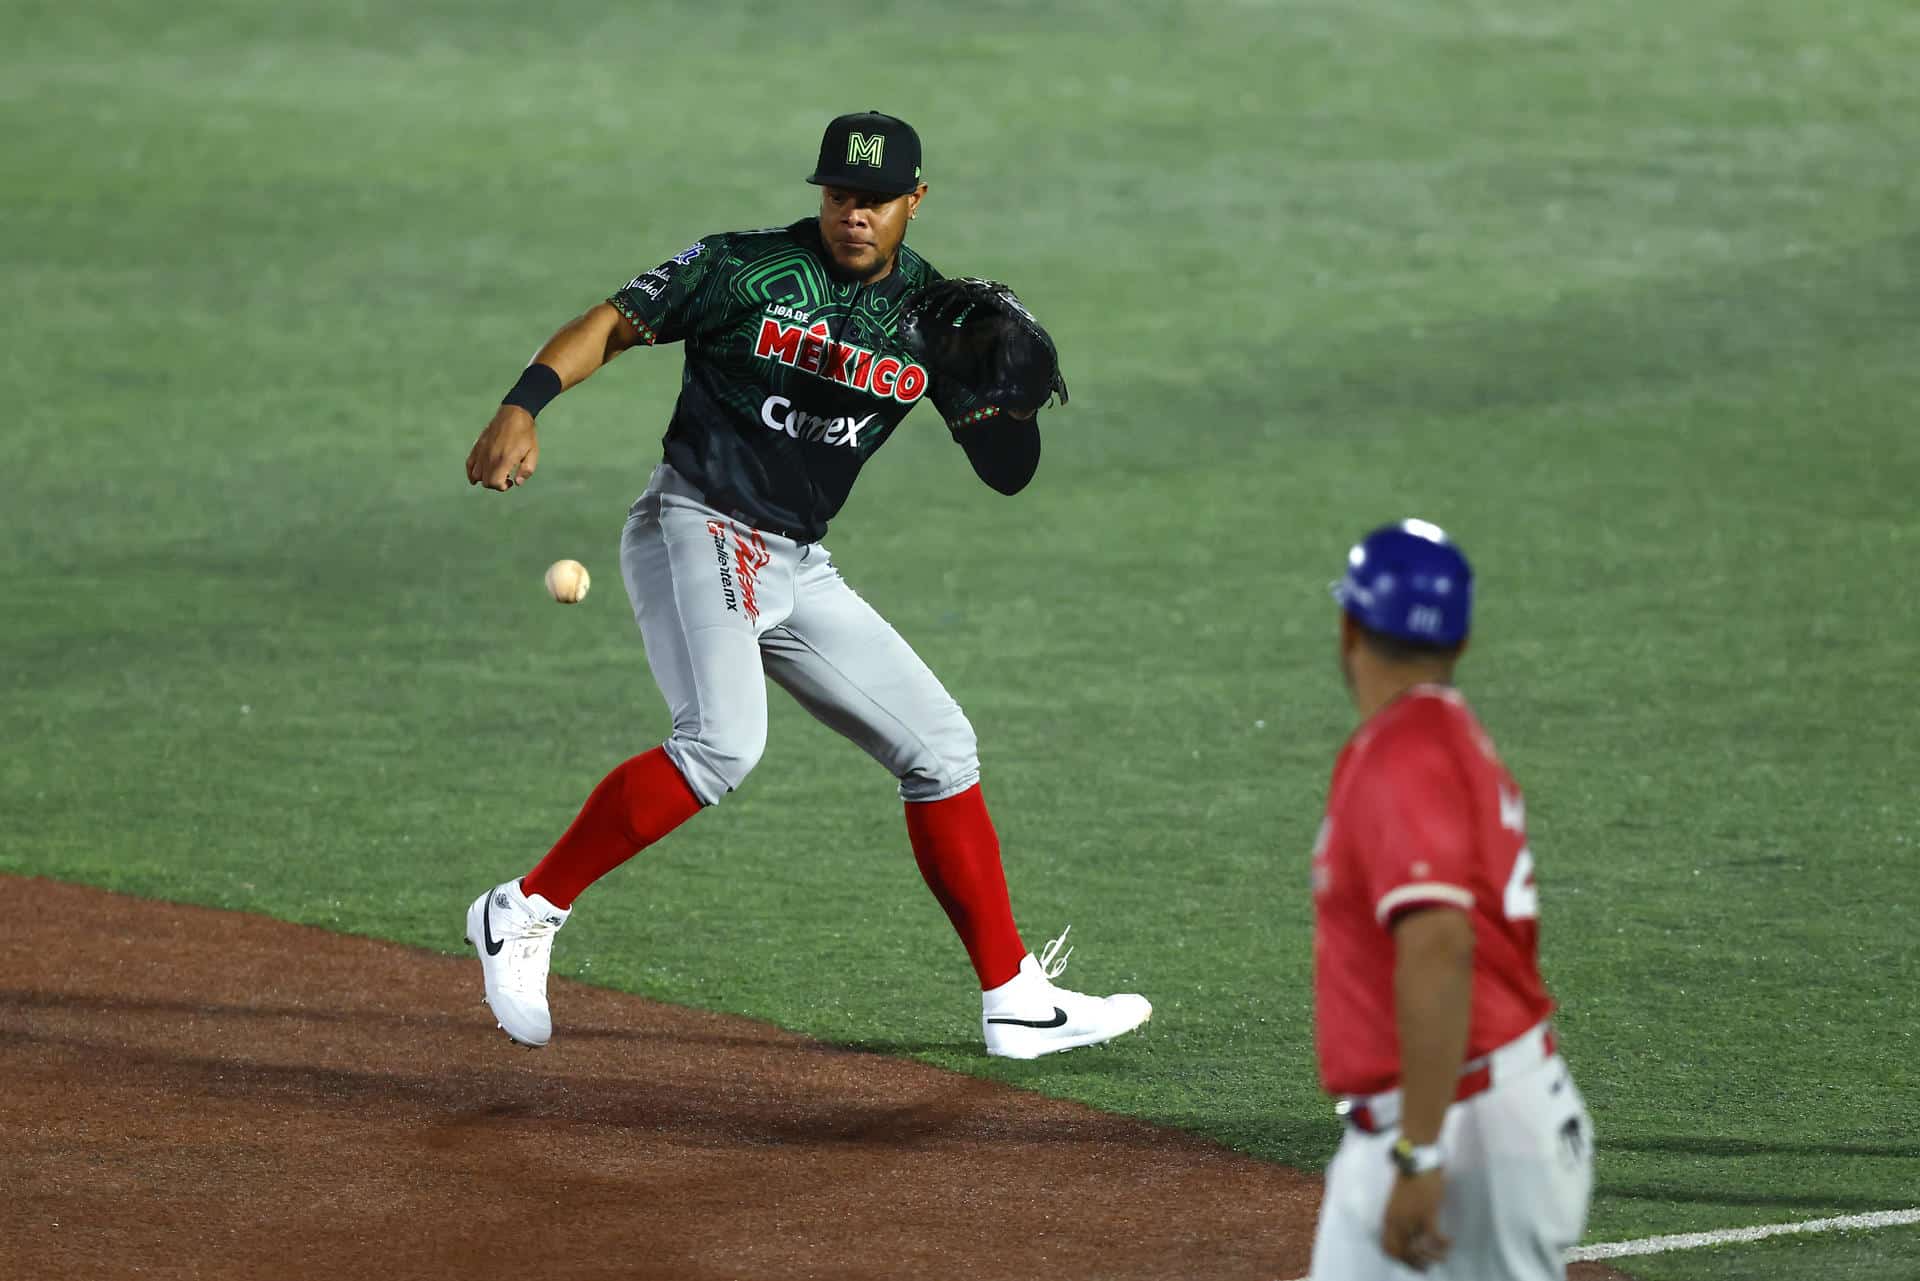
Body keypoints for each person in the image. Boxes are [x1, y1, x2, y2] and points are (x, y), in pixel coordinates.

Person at [459, 111, 1150, 1060]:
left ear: (915, 199)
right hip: (694, 522)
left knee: (942, 748)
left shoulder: (934, 319)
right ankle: (523, 910)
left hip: (794, 559)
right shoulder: (743, 269)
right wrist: (523, 404)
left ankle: (1015, 997)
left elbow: (1006, 466)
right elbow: (615, 322)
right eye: (837, 195)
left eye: (874, 199)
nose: (853, 214)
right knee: (721, 746)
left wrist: (1005, 405)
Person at [1308, 520, 1593, 1278]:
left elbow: (1438, 945)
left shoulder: (1405, 753)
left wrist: (1422, 1151)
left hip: (1464, 1128)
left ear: (1349, 627)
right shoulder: (1448, 735)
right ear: (1459, 644)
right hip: (1445, 1114)